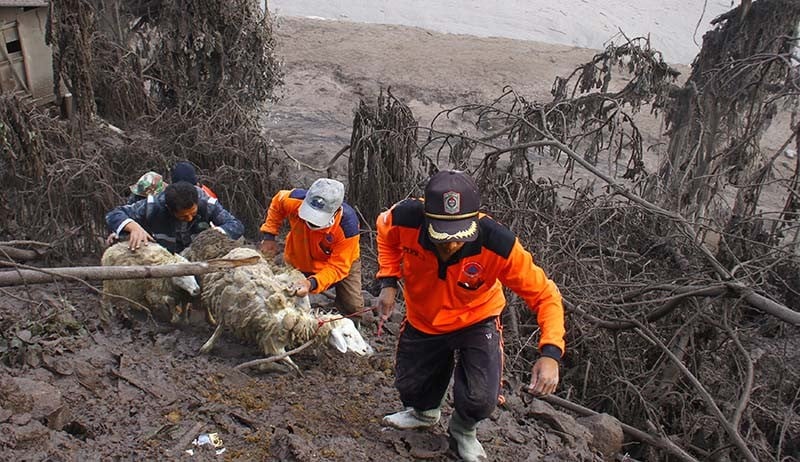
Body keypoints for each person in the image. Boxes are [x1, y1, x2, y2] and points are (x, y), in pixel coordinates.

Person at [376, 170, 565, 462]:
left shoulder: (499, 244)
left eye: (459, 237)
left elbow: (545, 295)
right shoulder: (404, 217)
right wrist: (388, 280)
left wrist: (550, 352)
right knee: (411, 387)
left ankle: (463, 430)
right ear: (427, 221)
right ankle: (424, 413)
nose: (451, 245)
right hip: (424, 318)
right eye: (443, 237)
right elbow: (385, 233)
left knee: (481, 397)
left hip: (477, 318)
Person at [258, 178, 364, 322]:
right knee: (283, 300)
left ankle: (349, 323)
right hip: (298, 256)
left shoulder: (347, 227)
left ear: (335, 212)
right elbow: (278, 202)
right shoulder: (294, 200)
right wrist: (269, 235)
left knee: (352, 307)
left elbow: (337, 267)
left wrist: (311, 283)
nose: (312, 221)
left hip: (340, 263)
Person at [106, 181, 244, 253]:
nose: (189, 218)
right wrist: (133, 227)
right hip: (165, 259)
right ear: (169, 209)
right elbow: (113, 215)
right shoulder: (154, 206)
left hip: (199, 256)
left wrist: (215, 234)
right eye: (183, 216)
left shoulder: (207, 204)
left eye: (193, 213)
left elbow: (236, 225)